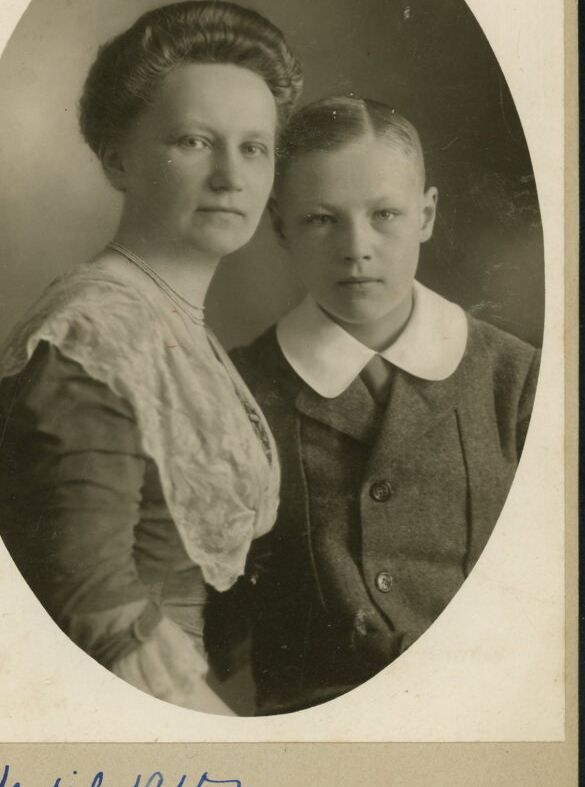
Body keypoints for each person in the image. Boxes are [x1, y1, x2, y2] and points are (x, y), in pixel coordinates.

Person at [0, 0, 303, 714]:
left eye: (254, 147)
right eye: (193, 141)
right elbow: (95, 608)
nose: (231, 176)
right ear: (117, 159)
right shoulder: (90, 336)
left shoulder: (171, 325)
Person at [225, 95, 540, 715]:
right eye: (321, 219)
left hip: (493, 709)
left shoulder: (516, 378)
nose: (356, 247)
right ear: (279, 225)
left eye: (385, 214)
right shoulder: (242, 387)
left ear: (425, 215)